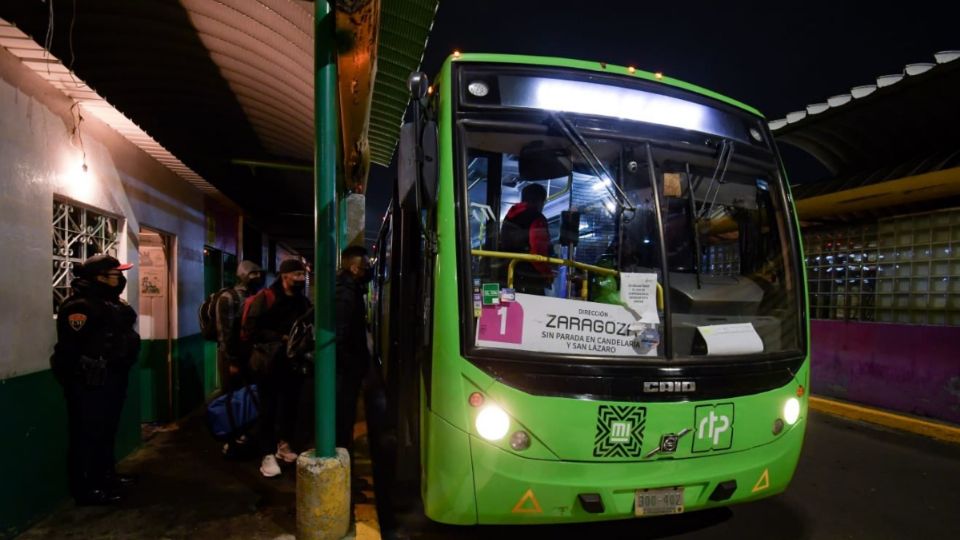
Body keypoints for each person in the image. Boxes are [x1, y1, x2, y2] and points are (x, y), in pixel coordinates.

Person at [51, 254, 140, 505]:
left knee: (106, 432)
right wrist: (82, 377)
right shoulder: (80, 307)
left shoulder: (110, 303)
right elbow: (71, 350)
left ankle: (106, 477)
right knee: (87, 435)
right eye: (116, 274)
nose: (121, 278)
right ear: (99, 277)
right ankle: (86, 488)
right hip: (90, 385)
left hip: (112, 379)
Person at [242, 258, 312, 477]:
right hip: (269, 363)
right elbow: (250, 330)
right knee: (268, 409)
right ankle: (267, 454)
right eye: (297, 275)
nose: (301, 279)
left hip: (292, 363)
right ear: (285, 276)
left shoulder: (302, 301)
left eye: (303, 275)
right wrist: (280, 337)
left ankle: (283, 446)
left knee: (290, 407)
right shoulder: (266, 298)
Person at [335, 246, 373, 452]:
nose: (369, 270)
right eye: (366, 266)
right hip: (345, 369)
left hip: (348, 367)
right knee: (343, 417)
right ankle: (342, 458)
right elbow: (339, 335)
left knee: (346, 416)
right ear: (354, 268)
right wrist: (351, 364)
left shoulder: (350, 289)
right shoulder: (345, 293)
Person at [215, 260, 264, 387]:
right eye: (254, 274)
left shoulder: (256, 296)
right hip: (231, 356)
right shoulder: (229, 297)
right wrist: (232, 360)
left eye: (259, 274)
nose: (258, 277)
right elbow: (225, 332)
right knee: (231, 395)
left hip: (250, 352)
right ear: (244, 275)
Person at [500, 183, 554, 294]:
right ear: (540, 200)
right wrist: (547, 274)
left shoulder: (509, 217)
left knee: (508, 308)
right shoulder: (537, 218)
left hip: (507, 274)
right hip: (528, 280)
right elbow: (538, 253)